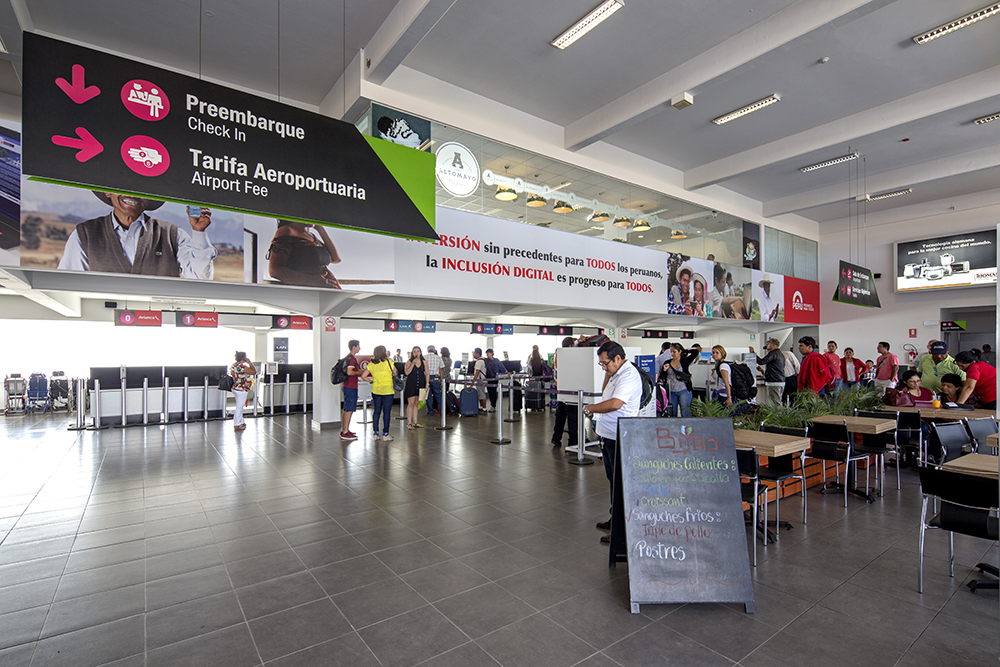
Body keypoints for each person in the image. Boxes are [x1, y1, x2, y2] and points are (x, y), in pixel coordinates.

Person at [59, 192, 216, 278]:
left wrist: (198, 232)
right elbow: (68, 284)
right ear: (107, 192)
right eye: (123, 186)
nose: (132, 195)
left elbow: (199, 278)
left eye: (140, 189)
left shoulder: (172, 235)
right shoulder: (85, 234)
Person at [582, 341, 642, 544]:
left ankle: (622, 529)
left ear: (618, 358)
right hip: (608, 435)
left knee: (619, 483)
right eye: (601, 364)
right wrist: (607, 371)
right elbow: (605, 392)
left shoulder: (629, 376)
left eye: (605, 363)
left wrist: (590, 408)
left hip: (619, 437)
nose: (603, 368)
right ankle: (615, 518)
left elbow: (615, 404)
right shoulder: (616, 373)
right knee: (612, 480)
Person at [266, 220, 341, 288]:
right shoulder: (287, 231)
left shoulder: (311, 236)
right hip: (305, 292)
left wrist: (320, 228)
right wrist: (312, 280)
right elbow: (275, 270)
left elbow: (335, 259)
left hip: (323, 290)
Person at [360, 345, 397, 441]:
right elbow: (396, 373)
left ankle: (376, 433)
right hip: (388, 390)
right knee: (387, 412)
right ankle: (385, 434)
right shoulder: (389, 362)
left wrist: (371, 381)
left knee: (376, 411)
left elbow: (363, 376)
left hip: (376, 390)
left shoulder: (371, 364)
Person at [552, 336, 578, 448]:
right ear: (571, 346)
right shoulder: (569, 355)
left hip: (561, 388)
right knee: (572, 417)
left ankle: (556, 438)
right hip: (570, 389)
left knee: (561, 415)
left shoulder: (558, 354)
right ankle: (573, 442)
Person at [664, 343, 697, 416]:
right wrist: (664, 370)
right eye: (671, 351)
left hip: (683, 390)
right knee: (672, 412)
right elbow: (663, 377)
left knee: (685, 411)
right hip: (672, 391)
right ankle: (674, 427)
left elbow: (695, 352)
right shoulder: (667, 362)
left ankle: (687, 427)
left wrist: (685, 351)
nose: (672, 353)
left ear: (680, 351)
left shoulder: (685, 361)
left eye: (674, 351)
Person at [340, 339, 362, 440]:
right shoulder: (351, 359)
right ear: (354, 347)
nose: (359, 348)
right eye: (358, 346)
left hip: (347, 386)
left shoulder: (348, 357)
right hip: (350, 386)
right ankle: (345, 432)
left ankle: (345, 429)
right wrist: (359, 372)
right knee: (349, 409)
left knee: (346, 408)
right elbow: (349, 372)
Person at [229, 351, 256, 431]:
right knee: (239, 407)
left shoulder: (234, 365)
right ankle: (237, 423)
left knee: (239, 405)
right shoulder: (241, 367)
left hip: (235, 387)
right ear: (242, 358)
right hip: (242, 388)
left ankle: (241, 421)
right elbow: (253, 371)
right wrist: (250, 363)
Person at [404, 346, 427, 428]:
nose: (416, 353)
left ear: (420, 352)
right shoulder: (409, 361)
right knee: (411, 403)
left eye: (418, 351)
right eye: (414, 351)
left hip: (420, 383)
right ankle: (409, 422)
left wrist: (427, 384)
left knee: (417, 403)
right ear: (412, 353)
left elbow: (427, 373)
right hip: (411, 383)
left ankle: (415, 422)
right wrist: (413, 363)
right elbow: (407, 372)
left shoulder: (424, 361)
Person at [757, 338, 785, 405]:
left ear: (773, 345)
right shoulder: (780, 354)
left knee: (775, 402)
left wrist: (753, 353)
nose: (767, 345)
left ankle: (777, 415)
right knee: (777, 400)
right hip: (779, 381)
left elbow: (762, 361)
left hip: (774, 381)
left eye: (768, 344)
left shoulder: (773, 353)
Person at [424, 345, 443, 416]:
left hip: (426, 378)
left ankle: (430, 411)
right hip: (435, 378)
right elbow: (441, 369)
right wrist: (441, 379)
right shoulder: (438, 357)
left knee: (428, 396)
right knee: (438, 395)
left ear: (427, 350)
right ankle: (442, 410)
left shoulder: (424, 357)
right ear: (434, 350)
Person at [472, 348, 488, 413]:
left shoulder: (479, 362)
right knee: (480, 394)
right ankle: (481, 407)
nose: (473, 354)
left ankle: (484, 408)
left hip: (480, 379)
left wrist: (473, 381)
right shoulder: (484, 360)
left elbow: (477, 371)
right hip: (483, 379)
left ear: (477, 353)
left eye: (474, 353)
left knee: (482, 394)